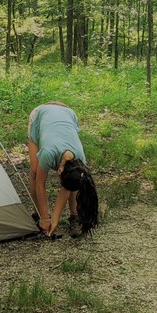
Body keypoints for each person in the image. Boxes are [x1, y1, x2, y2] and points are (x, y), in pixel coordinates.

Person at [27, 101, 99, 238]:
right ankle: (38, 213)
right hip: (41, 115)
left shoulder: (79, 159)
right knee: (35, 172)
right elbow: (40, 185)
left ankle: (75, 216)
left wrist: (55, 219)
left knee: (74, 181)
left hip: (67, 114)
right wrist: (45, 217)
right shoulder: (48, 153)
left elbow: (67, 187)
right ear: (59, 171)